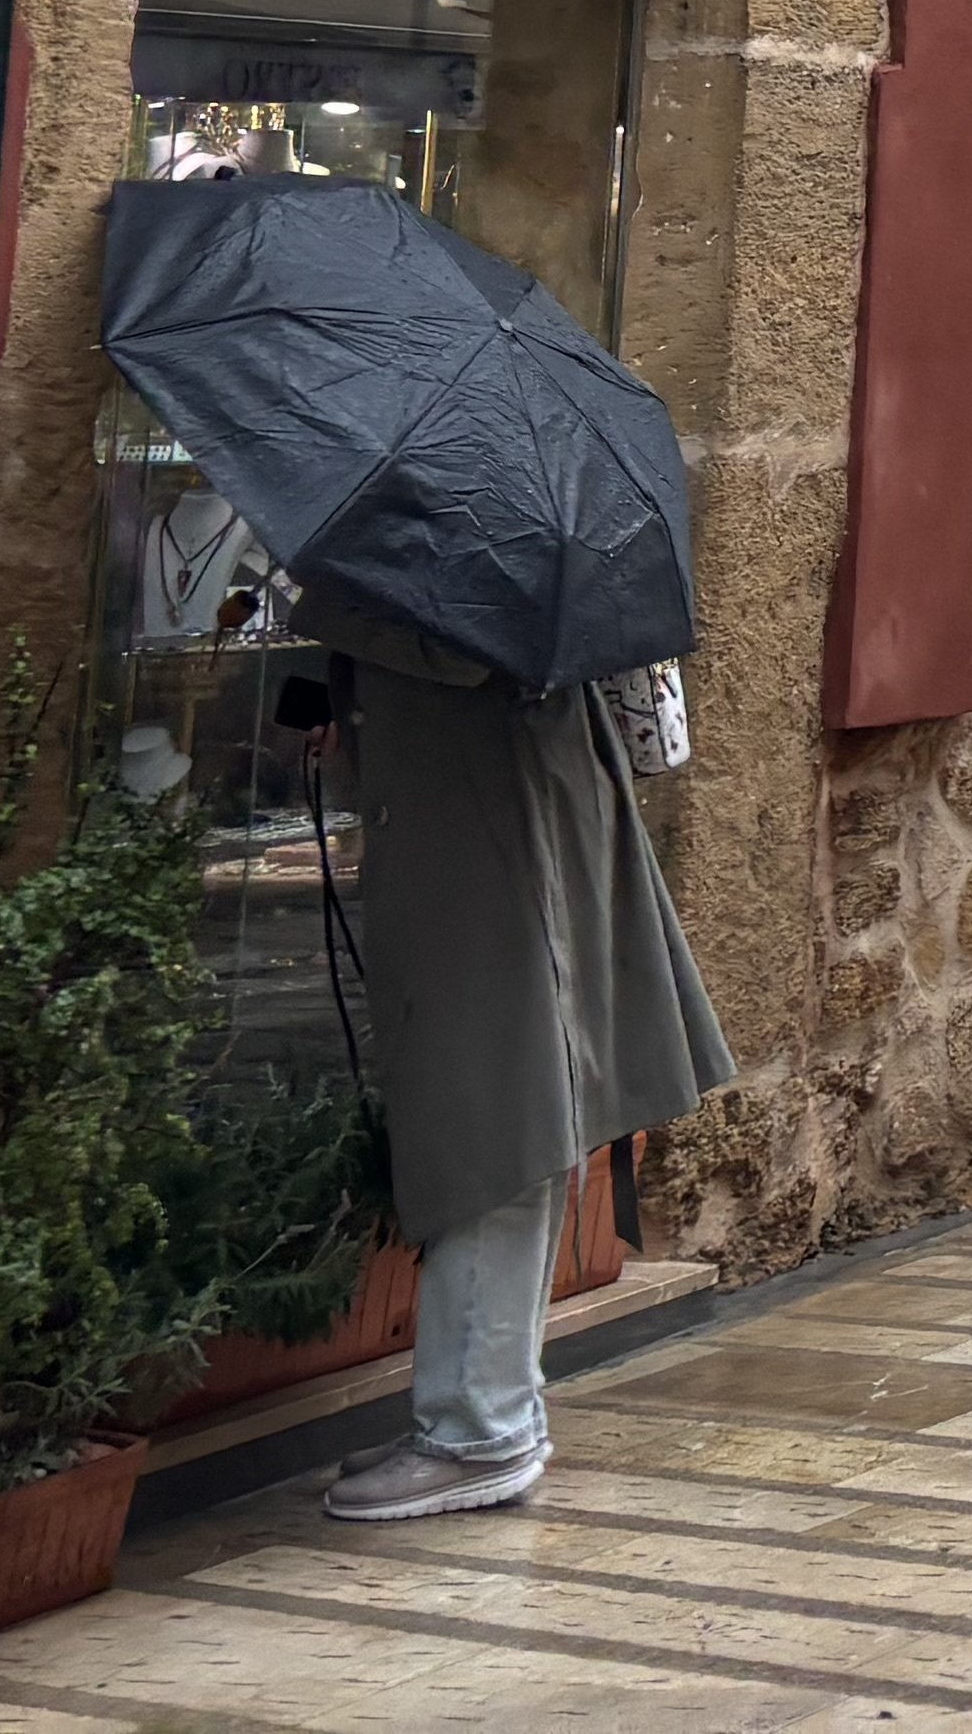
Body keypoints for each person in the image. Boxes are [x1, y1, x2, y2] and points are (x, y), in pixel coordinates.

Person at [298, 590, 731, 1518]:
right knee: (503, 1101)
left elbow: (462, 655)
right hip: (495, 815)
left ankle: (476, 1429)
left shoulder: (479, 543)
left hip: (502, 824)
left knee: (499, 1113)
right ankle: (488, 1409)